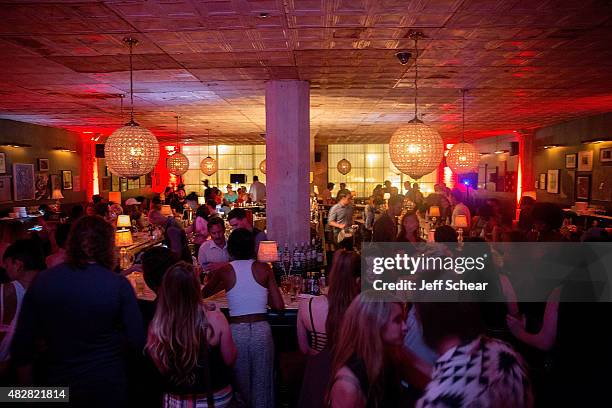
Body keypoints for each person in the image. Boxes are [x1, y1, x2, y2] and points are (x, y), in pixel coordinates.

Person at [11, 216, 145, 406]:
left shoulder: (43, 281)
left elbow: (22, 347)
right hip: (107, 385)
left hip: (58, 384)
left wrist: (28, 395)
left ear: (71, 242)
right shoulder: (117, 285)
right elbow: (137, 339)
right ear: (108, 246)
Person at [202, 229, 284, 408]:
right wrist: (262, 293)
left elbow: (204, 292)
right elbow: (279, 305)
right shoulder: (264, 269)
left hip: (237, 331)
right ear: (252, 248)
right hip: (261, 329)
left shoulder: (225, 270)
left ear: (230, 248)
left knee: (240, 386)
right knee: (263, 385)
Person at [146, 262, 237, 408]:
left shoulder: (158, 326)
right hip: (216, 396)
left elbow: (163, 368)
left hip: (178, 398)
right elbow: (229, 359)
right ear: (196, 289)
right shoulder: (216, 318)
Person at [415, 302, 532, 408]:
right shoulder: (505, 351)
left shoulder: (437, 400)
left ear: (426, 324)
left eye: (415, 316)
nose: (406, 326)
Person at [328, 294, 429, 407]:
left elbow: (432, 380)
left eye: (403, 319)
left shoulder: (391, 360)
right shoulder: (349, 385)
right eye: (397, 320)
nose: (405, 327)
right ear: (374, 324)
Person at [297, 250, 361, 408]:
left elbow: (304, 348)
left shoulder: (307, 305)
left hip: (317, 373)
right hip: (350, 377)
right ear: (359, 279)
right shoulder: (363, 308)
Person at [0, 239, 44, 377]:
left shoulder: (5, 291)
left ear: (18, 265)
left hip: (9, 373)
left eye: (7, 266)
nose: (6, 272)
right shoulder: (51, 289)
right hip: (42, 371)